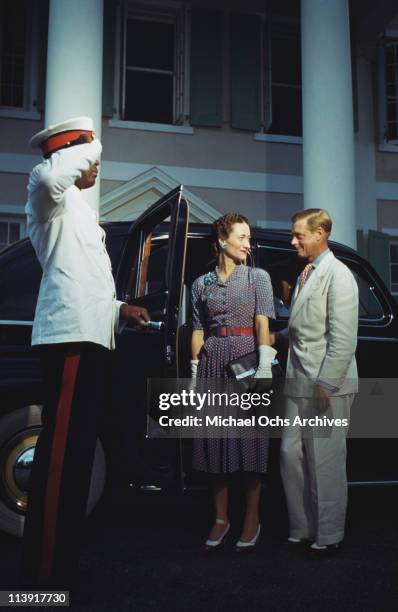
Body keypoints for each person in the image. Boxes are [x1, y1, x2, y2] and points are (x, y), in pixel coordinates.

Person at [21, 117, 149, 588]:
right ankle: (45, 579)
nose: (97, 167)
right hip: (70, 338)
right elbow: (56, 174)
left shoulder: (77, 210)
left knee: (76, 459)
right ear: (74, 155)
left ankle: (62, 565)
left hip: (92, 335)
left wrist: (121, 309)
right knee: (60, 461)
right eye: (94, 159)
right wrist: (89, 143)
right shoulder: (46, 189)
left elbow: (85, 283)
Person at [190, 213, 276, 552]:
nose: (248, 243)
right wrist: (195, 372)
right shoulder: (200, 284)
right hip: (212, 362)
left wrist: (265, 365)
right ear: (222, 240)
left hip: (247, 362)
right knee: (215, 442)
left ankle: (252, 518)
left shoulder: (259, 278)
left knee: (250, 441)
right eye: (242, 237)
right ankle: (221, 517)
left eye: (249, 237)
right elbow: (198, 330)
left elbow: (262, 324)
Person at [275, 208, 358, 558]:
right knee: (289, 453)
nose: (294, 241)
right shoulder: (307, 272)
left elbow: (343, 337)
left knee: (324, 460)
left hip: (327, 383)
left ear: (320, 233)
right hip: (298, 379)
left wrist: (327, 382)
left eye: (299, 235)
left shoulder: (338, 275)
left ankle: (328, 534)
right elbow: (299, 329)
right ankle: (302, 527)